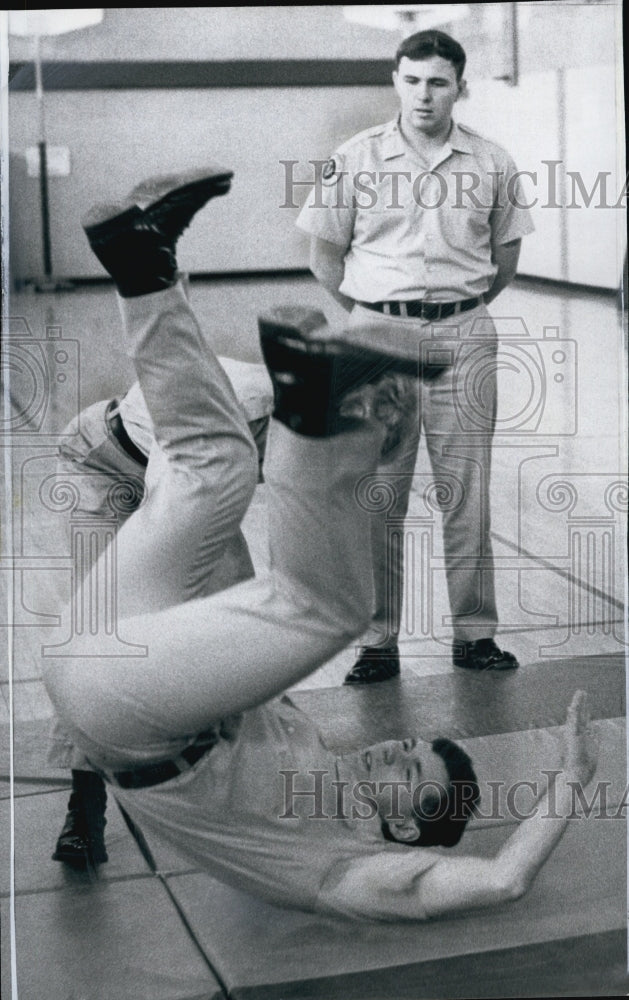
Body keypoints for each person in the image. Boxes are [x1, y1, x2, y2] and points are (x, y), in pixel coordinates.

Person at [43, 169, 597, 920]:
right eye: (414, 745)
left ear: (403, 826)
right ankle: (144, 268)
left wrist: (572, 777)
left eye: (409, 768)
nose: (392, 747)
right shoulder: (302, 752)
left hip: (126, 722)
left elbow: (503, 880)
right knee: (215, 467)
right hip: (115, 654)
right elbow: (232, 600)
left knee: (328, 608)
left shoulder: (346, 868)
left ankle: (320, 402)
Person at [296, 29, 535, 683]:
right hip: (378, 339)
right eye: (411, 80)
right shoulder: (355, 157)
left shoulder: (491, 161)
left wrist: (451, 311)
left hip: (464, 334)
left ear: (460, 85)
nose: (422, 94)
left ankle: (474, 634)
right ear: (394, 81)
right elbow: (323, 255)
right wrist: (375, 317)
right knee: (377, 493)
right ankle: (377, 641)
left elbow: (504, 258)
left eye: (436, 81)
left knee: (467, 492)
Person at [51, 360, 273, 867]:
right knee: (99, 635)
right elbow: (166, 528)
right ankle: (84, 811)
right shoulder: (227, 414)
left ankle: (259, 778)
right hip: (99, 461)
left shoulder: (302, 420)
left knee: (245, 628)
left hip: (184, 477)